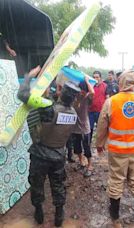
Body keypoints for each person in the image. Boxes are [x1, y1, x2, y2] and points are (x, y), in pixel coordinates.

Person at [17, 66, 80, 227]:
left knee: (37, 183)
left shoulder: (47, 107)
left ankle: (39, 211)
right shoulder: (73, 114)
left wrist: (27, 77)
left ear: (60, 91)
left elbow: (22, 95)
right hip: (59, 155)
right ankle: (59, 214)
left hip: (40, 154)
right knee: (58, 184)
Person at [96, 70, 134, 226]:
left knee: (116, 181)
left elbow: (102, 126)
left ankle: (115, 217)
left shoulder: (111, 102)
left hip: (117, 151)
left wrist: (99, 144)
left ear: (121, 82)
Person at [72, 76, 95, 177]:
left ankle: (90, 165)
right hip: (75, 127)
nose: (82, 92)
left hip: (85, 128)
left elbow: (92, 92)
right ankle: (81, 161)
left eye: (84, 90)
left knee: (87, 147)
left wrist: (86, 81)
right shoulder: (74, 97)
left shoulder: (87, 98)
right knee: (77, 147)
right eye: (81, 90)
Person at [89, 71, 107, 143]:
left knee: (101, 129)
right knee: (89, 129)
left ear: (100, 78)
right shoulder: (90, 86)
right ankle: (88, 145)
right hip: (90, 111)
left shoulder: (105, 86)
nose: (95, 78)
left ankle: (100, 145)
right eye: (94, 77)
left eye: (97, 77)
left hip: (100, 111)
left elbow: (107, 98)